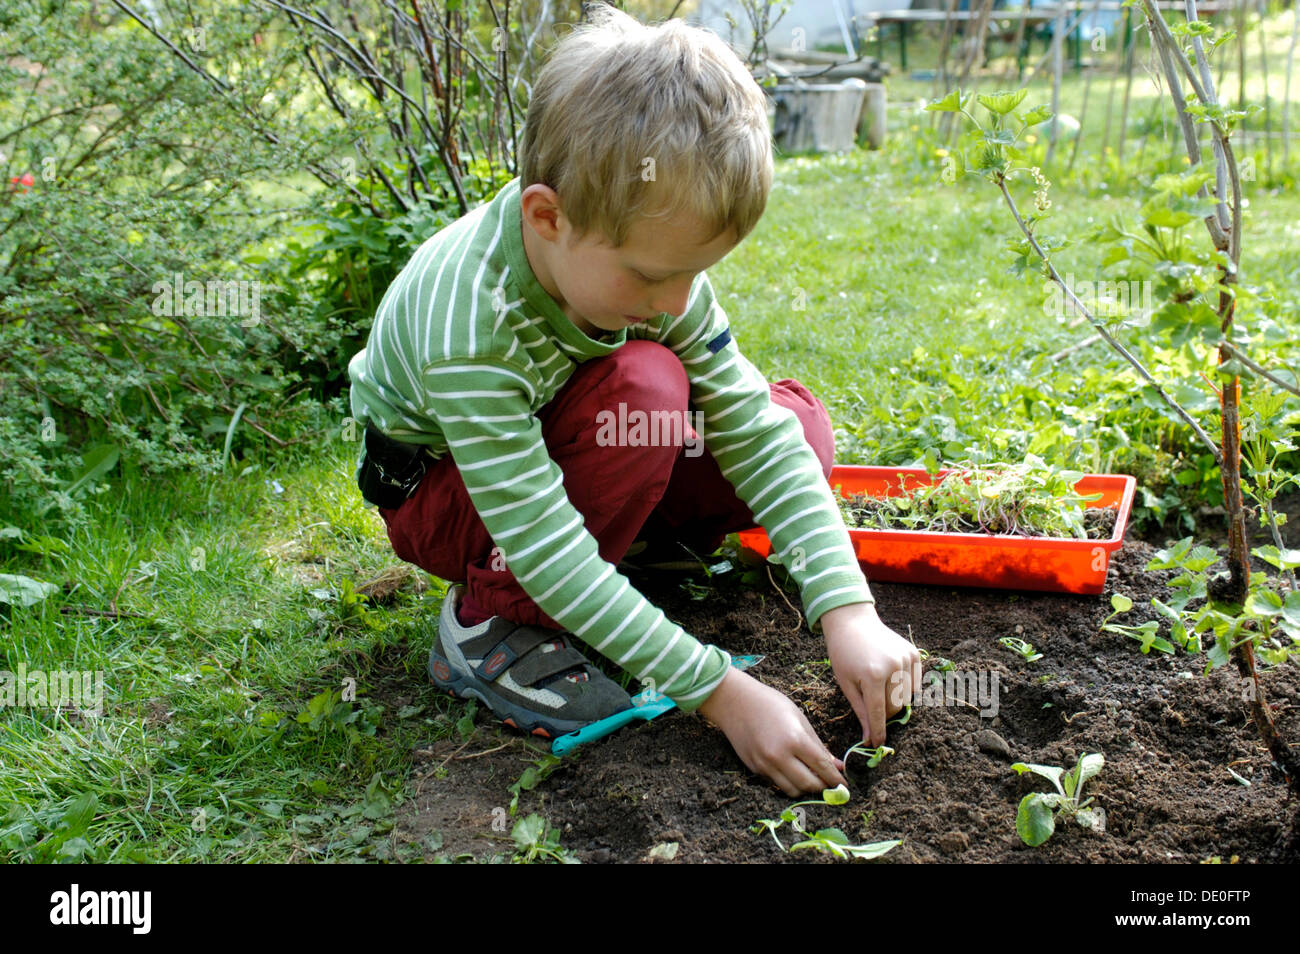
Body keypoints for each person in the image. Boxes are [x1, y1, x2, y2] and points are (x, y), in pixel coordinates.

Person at [346, 2, 920, 796]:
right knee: (644, 389)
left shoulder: (646, 267)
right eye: (653, 277)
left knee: (797, 428)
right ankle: (493, 624)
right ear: (547, 216)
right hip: (445, 496)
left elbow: (753, 433)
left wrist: (847, 610)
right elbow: (546, 544)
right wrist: (721, 692)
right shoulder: (471, 323)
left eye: (695, 272)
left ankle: (620, 548)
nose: (679, 300)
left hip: (568, 444)